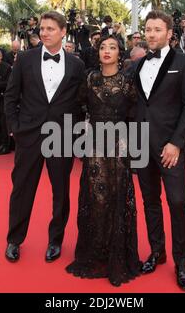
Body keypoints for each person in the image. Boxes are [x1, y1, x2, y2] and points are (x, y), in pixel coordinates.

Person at [4, 11, 85, 264]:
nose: (44, 32)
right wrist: (15, 127)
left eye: (51, 28)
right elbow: (10, 96)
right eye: (42, 28)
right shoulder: (25, 59)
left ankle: (55, 240)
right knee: (22, 188)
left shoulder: (77, 65)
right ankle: (14, 240)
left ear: (63, 32)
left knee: (60, 191)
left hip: (61, 136)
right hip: (29, 134)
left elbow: (80, 102)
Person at [66, 35, 142, 287]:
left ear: (120, 53)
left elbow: (136, 114)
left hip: (120, 146)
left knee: (118, 196)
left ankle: (117, 255)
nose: (107, 51)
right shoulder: (89, 79)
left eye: (112, 47)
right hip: (95, 146)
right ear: (97, 52)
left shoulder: (128, 81)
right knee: (96, 197)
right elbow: (77, 108)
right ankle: (95, 251)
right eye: (103, 47)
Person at [135, 10, 185, 291]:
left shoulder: (184, 62)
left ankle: (181, 263)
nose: (151, 34)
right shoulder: (136, 65)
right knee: (150, 202)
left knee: (177, 203)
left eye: (157, 29)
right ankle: (157, 252)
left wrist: (176, 142)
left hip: (169, 147)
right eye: (148, 29)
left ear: (169, 33)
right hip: (141, 146)